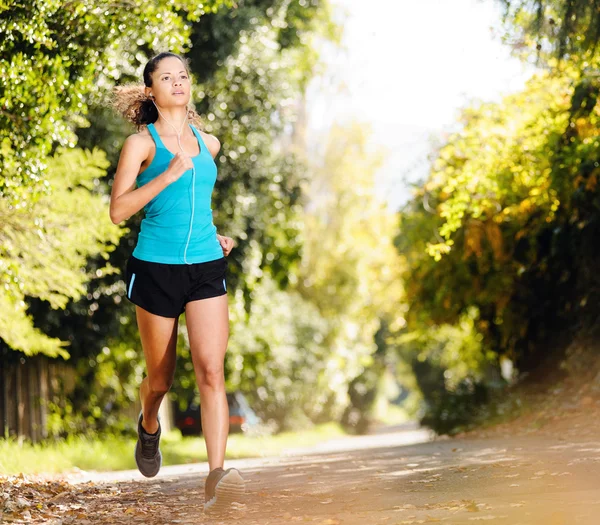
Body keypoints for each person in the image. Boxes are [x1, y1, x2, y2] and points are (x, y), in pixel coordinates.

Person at [109, 51, 244, 512]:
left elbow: (195, 204)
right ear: (151, 90)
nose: (177, 82)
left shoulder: (210, 143)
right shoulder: (140, 145)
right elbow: (118, 211)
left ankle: (217, 479)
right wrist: (166, 174)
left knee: (211, 370)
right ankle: (149, 425)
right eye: (166, 77)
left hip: (206, 264)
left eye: (182, 75)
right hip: (156, 269)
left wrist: (214, 233)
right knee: (161, 379)